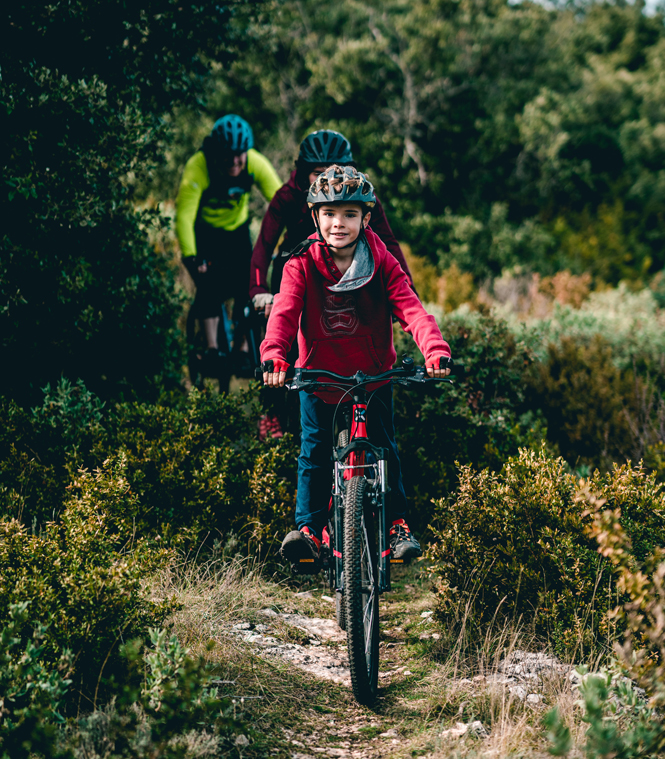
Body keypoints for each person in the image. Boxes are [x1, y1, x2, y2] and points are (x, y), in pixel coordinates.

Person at [260, 165, 452, 572]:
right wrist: (275, 355)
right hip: (319, 377)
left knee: (385, 451)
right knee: (312, 455)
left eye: (349, 214)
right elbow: (284, 311)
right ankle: (309, 531)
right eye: (329, 213)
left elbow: (410, 307)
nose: (338, 223)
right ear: (315, 217)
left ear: (367, 218)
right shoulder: (301, 263)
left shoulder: (381, 259)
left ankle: (397, 525)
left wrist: (433, 349)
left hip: (373, 376)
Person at [249, 129, 415, 317]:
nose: (327, 180)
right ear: (304, 174)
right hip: (293, 270)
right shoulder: (287, 196)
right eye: (318, 173)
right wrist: (258, 290)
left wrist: (408, 288)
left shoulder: (363, 197)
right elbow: (265, 245)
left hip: (345, 270)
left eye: (336, 171)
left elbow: (387, 242)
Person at [176, 114, 281, 374]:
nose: (234, 161)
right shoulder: (199, 166)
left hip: (237, 232)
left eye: (239, 155)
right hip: (206, 233)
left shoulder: (254, 162)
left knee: (249, 285)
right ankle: (212, 350)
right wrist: (191, 256)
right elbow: (184, 216)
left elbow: (281, 202)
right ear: (216, 151)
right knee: (208, 285)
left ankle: (243, 349)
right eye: (227, 155)